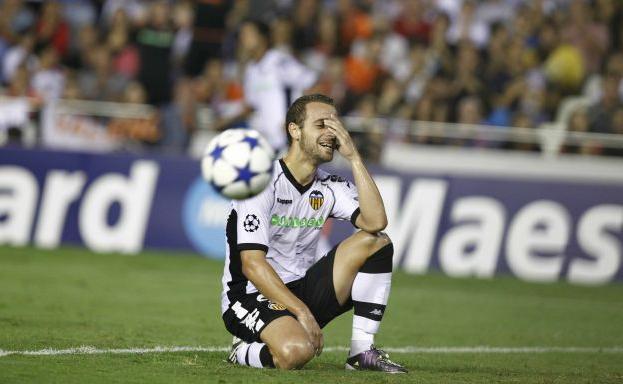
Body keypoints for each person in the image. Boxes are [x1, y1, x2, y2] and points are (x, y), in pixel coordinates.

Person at [219, 94, 407, 373]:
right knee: (296, 353)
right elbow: (252, 264)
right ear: (294, 130)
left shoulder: (330, 186)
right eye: (321, 125)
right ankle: (243, 349)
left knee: (375, 242)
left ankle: (361, 351)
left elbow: (376, 221)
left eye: (335, 127)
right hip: (250, 295)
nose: (331, 134)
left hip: (302, 289)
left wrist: (354, 157)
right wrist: (302, 313)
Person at [216, 20, 318, 153]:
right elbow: (251, 105)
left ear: (262, 38)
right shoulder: (251, 70)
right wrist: (226, 120)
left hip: (289, 144)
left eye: (248, 34)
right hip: (266, 144)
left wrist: (296, 118)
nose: (243, 38)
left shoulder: (278, 61)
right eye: (242, 35)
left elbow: (314, 84)